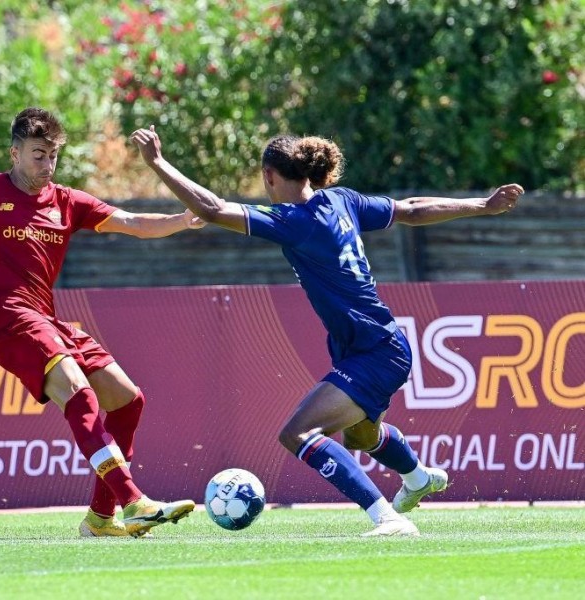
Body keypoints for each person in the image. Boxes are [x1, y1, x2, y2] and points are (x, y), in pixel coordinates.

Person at [131, 126, 524, 536]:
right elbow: (410, 208)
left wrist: (158, 162)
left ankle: (387, 518)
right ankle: (417, 477)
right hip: (372, 344)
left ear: (269, 175)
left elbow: (212, 209)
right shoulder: (343, 199)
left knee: (296, 432)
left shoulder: (292, 221)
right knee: (360, 436)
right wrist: (482, 204)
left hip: (375, 349)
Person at [0, 107, 200, 538]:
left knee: (127, 399)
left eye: (52, 156)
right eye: (37, 155)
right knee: (79, 395)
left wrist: (182, 220)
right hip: (8, 319)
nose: (47, 165)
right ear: (14, 153)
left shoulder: (66, 201)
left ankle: (101, 518)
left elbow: (133, 222)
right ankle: (133, 501)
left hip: (48, 320)